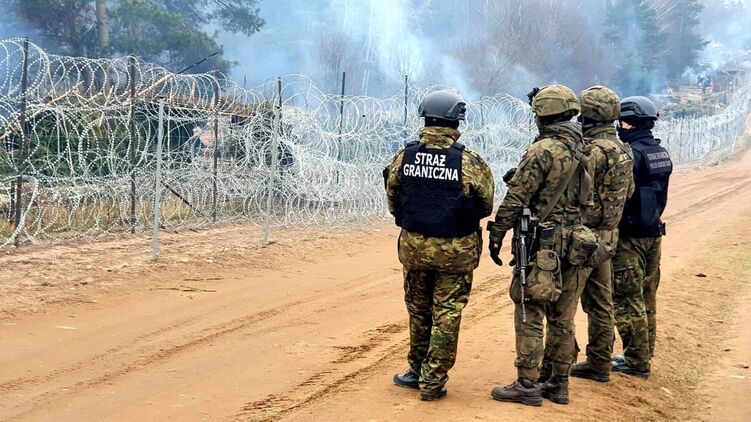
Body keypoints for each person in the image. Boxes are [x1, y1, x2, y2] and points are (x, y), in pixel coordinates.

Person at [384, 89, 494, 401]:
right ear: (457, 121)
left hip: (415, 249)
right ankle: (432, 381)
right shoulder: (469, 161)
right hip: (456, 251)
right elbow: (485, 205)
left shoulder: (405, 156)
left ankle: (415, 369)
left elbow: (393, 200)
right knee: (447, 313)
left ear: (425, 118)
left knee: (418, 310)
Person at [488, 84, 594, 406]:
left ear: (542, 115)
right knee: (563, 316)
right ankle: (558, 383)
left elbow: (516, 198)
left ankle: (527, 383)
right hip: (576, 241)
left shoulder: (543, 150)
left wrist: (497, 234)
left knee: (530, 308)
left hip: (542, 242)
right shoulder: (585, 149)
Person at [570, 86, 635, 383]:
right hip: (609, 237)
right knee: (601, 304)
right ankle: (599, 363)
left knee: (564, 303)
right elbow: (629, 191)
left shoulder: (589, 151)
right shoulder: (623, 149)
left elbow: (572, 193)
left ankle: (559, 364)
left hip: (582, 238)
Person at [611, 96, 672, 378]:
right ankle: (643, 355)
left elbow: (618, 196)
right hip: (653, 232)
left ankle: (636, 362)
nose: (619, 127)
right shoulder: (660, 153)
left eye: (621, 122)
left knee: (627, 299)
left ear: (629, 123)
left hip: (630, 236)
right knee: (647, 298)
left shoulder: (631, 156)